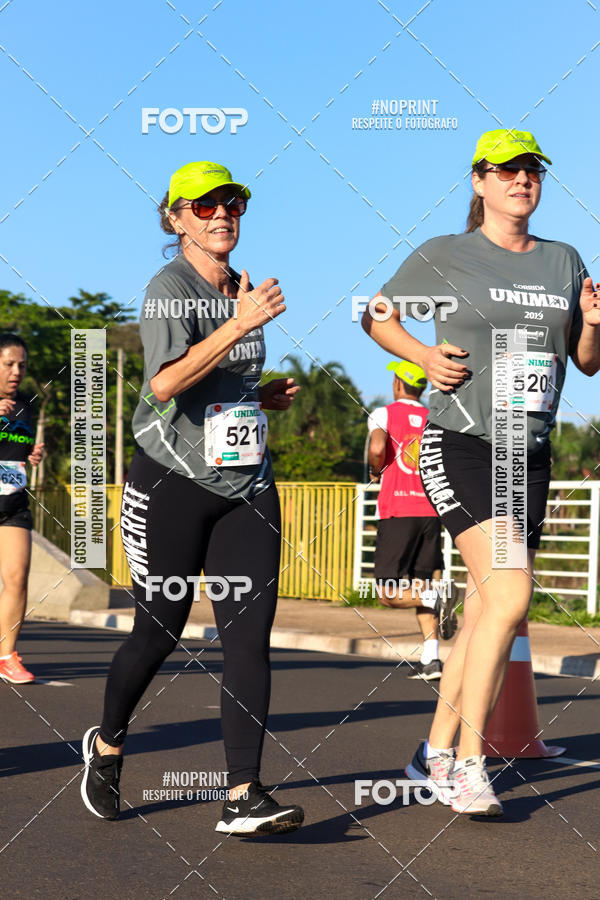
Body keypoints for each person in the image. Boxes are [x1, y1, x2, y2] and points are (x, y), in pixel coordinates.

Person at [362, 129, 600, 816]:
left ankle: (433, 753)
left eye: (532, 170)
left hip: (529, 453)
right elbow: (376, 314)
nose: (522, 180)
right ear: (479, 181)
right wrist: (422, 356)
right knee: (512, 595)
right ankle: (471, 762)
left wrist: (590, 322)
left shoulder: (563, 260)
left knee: (487, 608)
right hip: (462, 444)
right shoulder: (447, 255)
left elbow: (586, 363)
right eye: (507, 170)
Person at [81, 161, 305, 835]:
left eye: (232, 202)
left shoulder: (242, 287)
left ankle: (243, 794)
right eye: (204, 206)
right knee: (159, 630)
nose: (221, 214)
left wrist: (258, 396)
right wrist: (238, 325)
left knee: (249, 639)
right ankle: (107, 746)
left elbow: (220, 383)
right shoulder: (168, 289)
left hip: (246, 485)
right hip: (171, 482)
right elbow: (164, 384)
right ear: (175, 217)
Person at [367, 360, 456, 681]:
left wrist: (376, 469)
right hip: (431, 512)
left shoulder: (384, 414)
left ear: (397, 384)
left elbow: (378, 447)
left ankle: (436, 598)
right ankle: (431, 660)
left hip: (398, 511)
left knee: (387, 592)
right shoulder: (436, 417)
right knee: (421, 584)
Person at [0, 333, 44, 684]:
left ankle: (6, 656)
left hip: (13, 503)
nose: (16, 372)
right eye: (9, 364)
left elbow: (15, 447)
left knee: (17, 577)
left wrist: (32, 454)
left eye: (22, 365)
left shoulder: (27, 405)